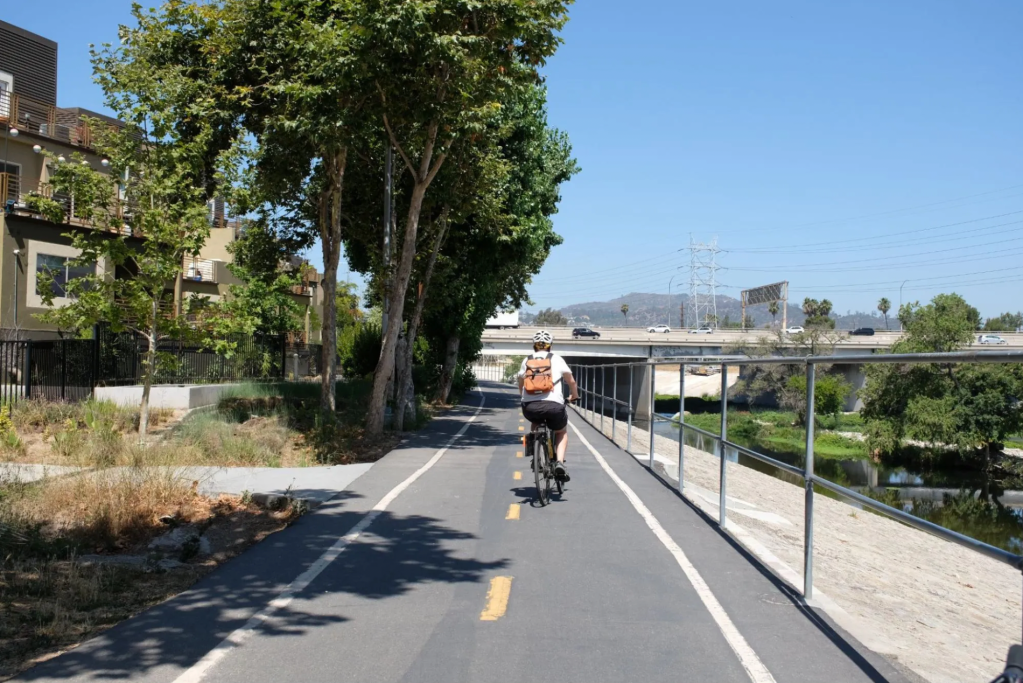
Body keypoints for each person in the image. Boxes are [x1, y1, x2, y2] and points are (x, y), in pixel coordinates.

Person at [517, 329, 578, 482]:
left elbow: (520, 381)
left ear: (534, 345)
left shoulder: (527, 360)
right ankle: (559, 463)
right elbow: (571, 381)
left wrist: (523, 396)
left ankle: (535, 456)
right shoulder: (557, 359)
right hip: (554, 406)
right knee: (561, 432)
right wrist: (574, 395)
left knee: (535, 422)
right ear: (550, 345)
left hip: (530, 406)